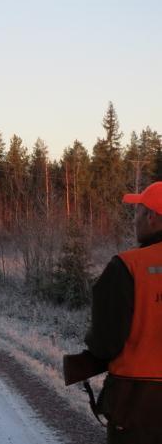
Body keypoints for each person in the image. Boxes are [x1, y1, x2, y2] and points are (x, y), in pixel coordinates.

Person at [85, 181, 162, 443]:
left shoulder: (126, 267)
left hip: (136, 402)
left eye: (138, 213)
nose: (135, 221)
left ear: (152, 217)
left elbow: (104, 344)